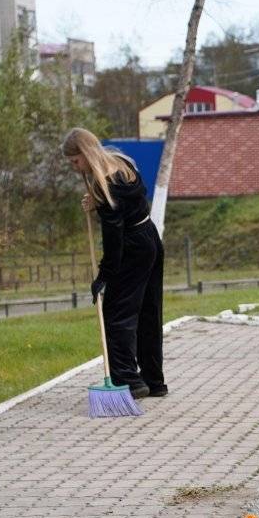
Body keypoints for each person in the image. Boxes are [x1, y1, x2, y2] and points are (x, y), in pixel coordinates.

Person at [64, 127, 165, 398]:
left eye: (75, 161)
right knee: (148, 311)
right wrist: (98, 204)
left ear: (85, 154)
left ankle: (129, 381)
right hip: (150, 238)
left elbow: (114, 238)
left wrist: (103, 277)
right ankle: (154, 381)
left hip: (132, 246)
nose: (75, 168)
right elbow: (130, 202)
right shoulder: (122, 164)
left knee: (117, 315)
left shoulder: (104, 184)